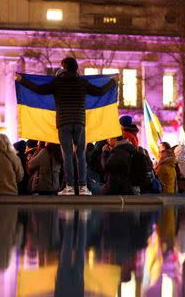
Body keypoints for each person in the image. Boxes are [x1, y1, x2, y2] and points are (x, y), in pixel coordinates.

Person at [16, 57, 118, 196]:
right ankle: (83, 187)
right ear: (76, 68)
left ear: (63, 67)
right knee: (81, 155)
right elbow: (99, 92)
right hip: (79, 122)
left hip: (63, 123)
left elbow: (38, 89)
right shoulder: (82, 82)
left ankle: (69, 187)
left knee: (68, 155)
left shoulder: (57, 83)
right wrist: (113, 81)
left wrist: (22, 80)